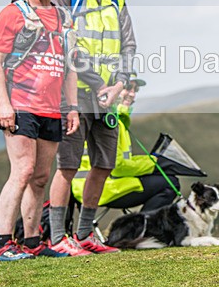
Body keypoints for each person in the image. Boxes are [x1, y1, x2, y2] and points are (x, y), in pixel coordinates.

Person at [46, 0, 137, 255]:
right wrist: (99, 84)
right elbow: (64, 40)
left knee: (104, 165)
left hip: (109, 98)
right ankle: (58, 238)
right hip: (74, 95)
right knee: (68, 167)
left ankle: (84, 235)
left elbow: (129, 45)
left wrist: (120, 83)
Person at [0, 0, 80, 261]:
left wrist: (73, 107)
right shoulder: (12, 14)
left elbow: (70, 66)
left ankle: (31, 242)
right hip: (21, 105)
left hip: (52, 109)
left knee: (40, 177)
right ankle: (3, 244)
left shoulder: (64, 18)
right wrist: (3, 104)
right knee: (23, 171)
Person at [71, 75, 181, 215]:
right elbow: (117, 167)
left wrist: (153, 162)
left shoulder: (112, 118)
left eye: (136, 89)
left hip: (92, 186)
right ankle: (144, 231)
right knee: (169, 183)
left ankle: (140, 230)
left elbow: (121, 162)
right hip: (101, 188)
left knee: (163, 180)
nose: (132, 94)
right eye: (128, 88)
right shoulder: (110, 121)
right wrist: (155, 163)